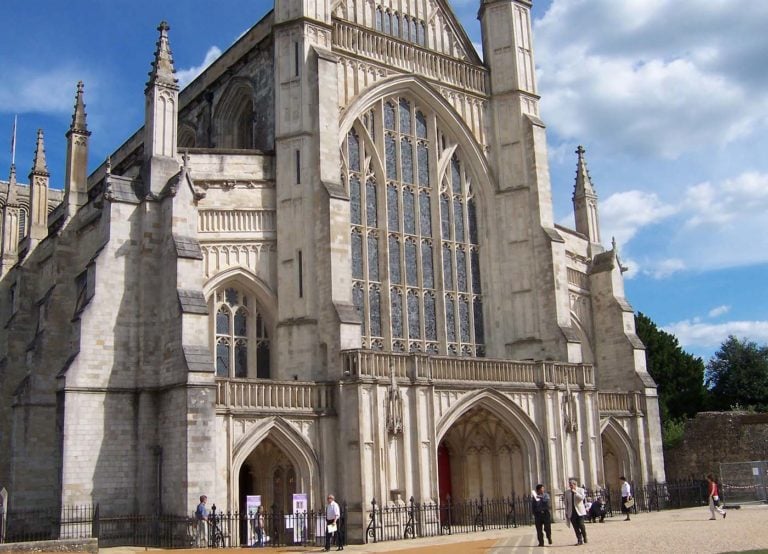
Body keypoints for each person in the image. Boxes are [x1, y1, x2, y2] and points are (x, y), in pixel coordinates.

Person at [563, 479, 588, 545]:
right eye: (570, 485)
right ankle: (579, 540)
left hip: (579, 511)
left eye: (571, 485)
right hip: (571, 512)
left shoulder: (580, 490)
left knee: (581, 525)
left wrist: (575, 493)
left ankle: (584, 535)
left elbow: (582, 498)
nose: (570, 486)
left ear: (575, 484)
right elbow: (566, 502)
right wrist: (566, 512)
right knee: (575, 527)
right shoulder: (567, 492)